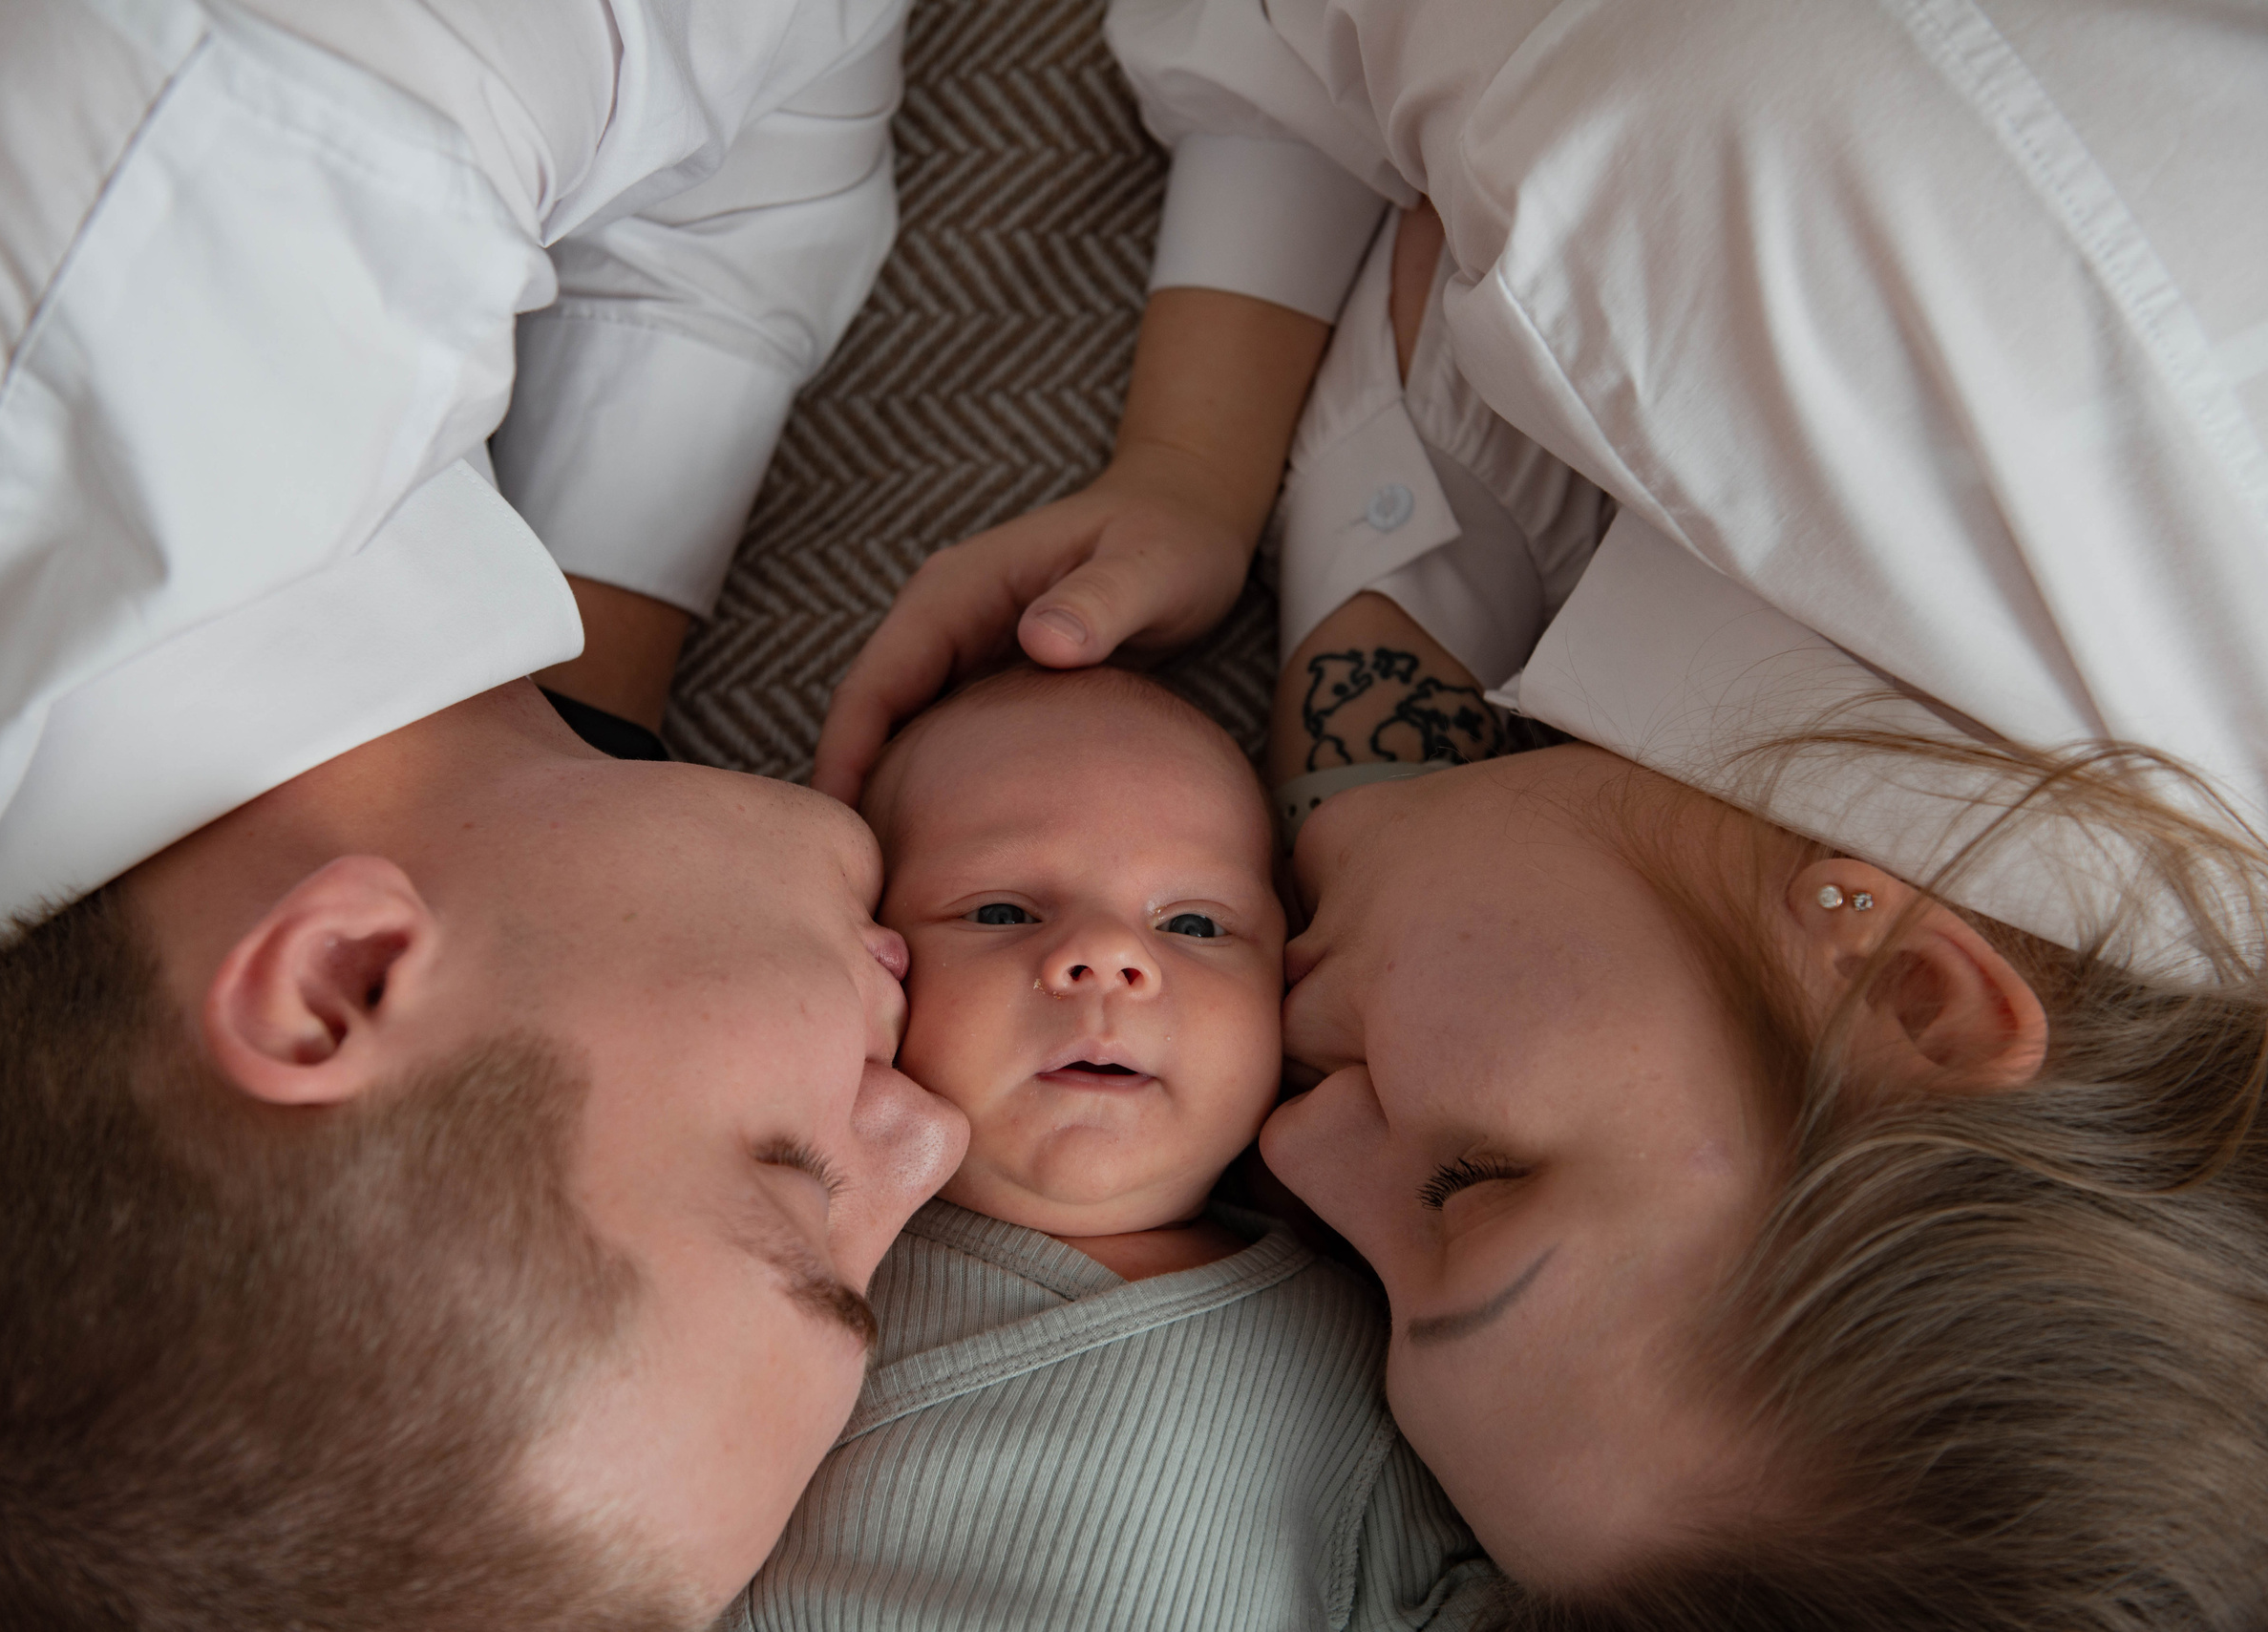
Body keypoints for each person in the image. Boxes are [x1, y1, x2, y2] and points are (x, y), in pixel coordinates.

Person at [813, 0, 2268, 1625]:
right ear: (1900, 986)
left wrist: (1226, 518)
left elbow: (1456, 335)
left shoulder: (1943, 883)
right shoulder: (1830, 246)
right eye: (1470, 1182)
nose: (1289, 1139)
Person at [0, 2, 971, 1627]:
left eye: (792, 1180)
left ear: (342, 976)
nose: (936, 1133)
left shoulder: (255, 144)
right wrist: (586, 710)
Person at [727, 665, 1481, 1630]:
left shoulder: (1379, 1331)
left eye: (1194, 924)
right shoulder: (792, 1228)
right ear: (870, 963)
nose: (1109, 956)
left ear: (1289, 998)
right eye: (1001, 911)